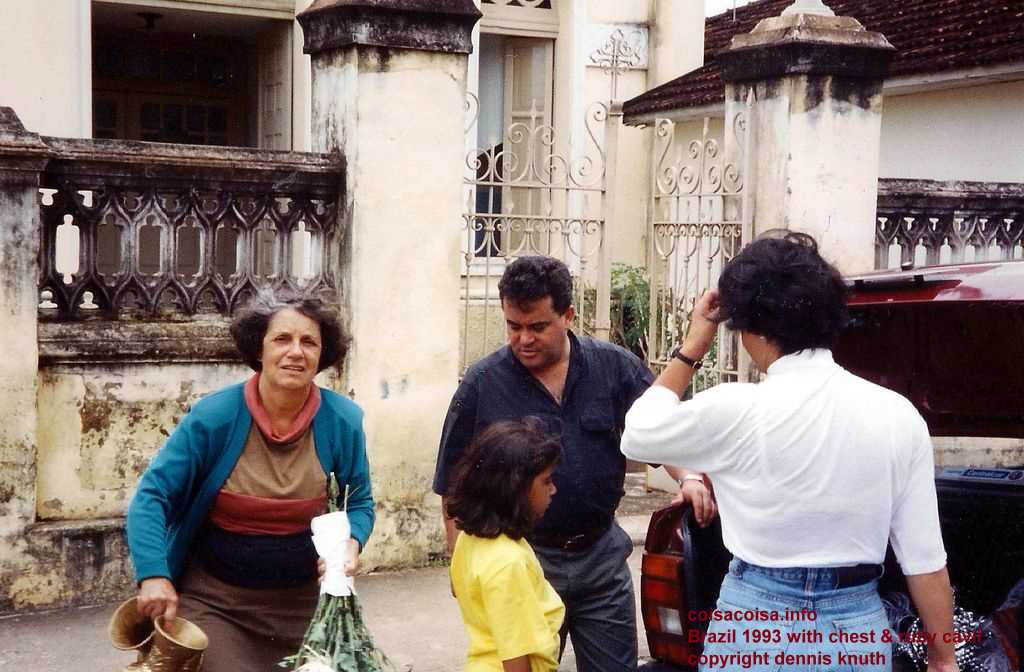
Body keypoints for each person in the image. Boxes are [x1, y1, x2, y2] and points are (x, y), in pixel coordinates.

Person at [621, 232, 959, 672]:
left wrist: (692, 348)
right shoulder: (899, 415)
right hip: (854, 627)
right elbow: (924, 559)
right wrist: (943, 659)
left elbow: (638, 435)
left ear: (749, 326)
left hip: (754, 622)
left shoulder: (735, 409)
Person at [433, 255, 715, 671]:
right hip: (524, 563)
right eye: (513, 326)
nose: (523, 339)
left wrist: (688, 478)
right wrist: (461, 561)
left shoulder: (614, 367)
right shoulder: (482, 383)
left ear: (568, 315)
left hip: (600, 561)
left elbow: (657, 428)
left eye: (537, 327)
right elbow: (452, 483)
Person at [126, 290, 375, 672]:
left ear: (322, 354)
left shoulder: (342, 421)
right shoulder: (215, 417)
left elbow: (359, 502)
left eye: (309, 342)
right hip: (217, 603)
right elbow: (152, 497)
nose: (296, 352)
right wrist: (154, 575)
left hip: (306, 607)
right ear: (259, 348)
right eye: (282, 339)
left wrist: (352, 542)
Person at [447, 418, 566, 672]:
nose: (554, 490)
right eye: (546, 481)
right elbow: (516, 658)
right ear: (516, 488)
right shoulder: (507, 562)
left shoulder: (470, 538)